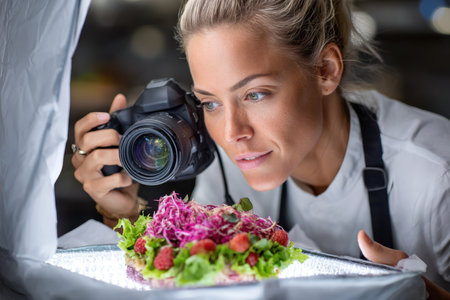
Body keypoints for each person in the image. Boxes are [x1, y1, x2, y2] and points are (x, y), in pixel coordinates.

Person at [71, 0, 450, 296]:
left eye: (255, 94)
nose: (233, 133)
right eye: (211, 103)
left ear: (326, 71)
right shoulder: (233, 166)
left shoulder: (436, 177)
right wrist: (121, 213)